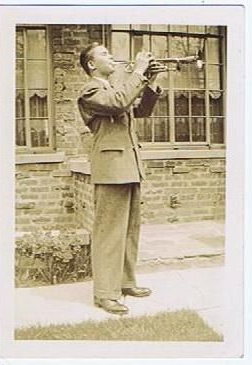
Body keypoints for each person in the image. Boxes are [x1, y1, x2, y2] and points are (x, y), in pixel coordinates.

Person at [78, 42, 162, 315]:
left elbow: (141, 111)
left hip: (129, 166)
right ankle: (104, 293)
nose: (111, 56)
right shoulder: (91, 90)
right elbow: (118, 103)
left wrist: (151, 81)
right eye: (104, 53)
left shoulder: (118, 89)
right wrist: (138, 72)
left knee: (128, 230)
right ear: (91, 64)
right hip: (111, 168)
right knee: (109, 233)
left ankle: (125, 283)